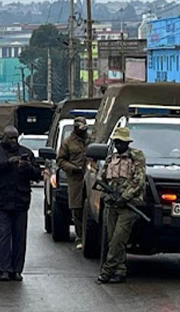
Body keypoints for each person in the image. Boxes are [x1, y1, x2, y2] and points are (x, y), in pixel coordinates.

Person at [0, 126, 42, 282]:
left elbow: (37, 175)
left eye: (15, 138)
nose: (13, 141)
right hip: (0, 201)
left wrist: (29, 168)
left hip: (20, 202)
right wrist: (8, 162)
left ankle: (17, 270)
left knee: (19, 237)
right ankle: (5, 269)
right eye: (10, 138)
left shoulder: (26, 153)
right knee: (3, 236)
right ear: (4, 137)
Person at [97, 127, 146, 285]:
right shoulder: (111, 159)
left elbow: (139, 180)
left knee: (119, 239)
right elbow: (102, 179)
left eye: (121, 142)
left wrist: (124, 197)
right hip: (112, 204)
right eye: (116, 142)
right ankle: (120, 271)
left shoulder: (136, 157)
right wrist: (109, 194)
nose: (119, 145)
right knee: (113, 240)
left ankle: (107, 271)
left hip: (128, 205)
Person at [56, 116, 91, 250]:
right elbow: (60, 160)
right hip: (75, 179)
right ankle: (80, 236)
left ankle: (89, 236)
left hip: (90, 176)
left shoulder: (92, 139)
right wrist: (72, 168)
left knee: (90, 208)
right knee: (76, 208)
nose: (82, 131)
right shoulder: (67, 142)